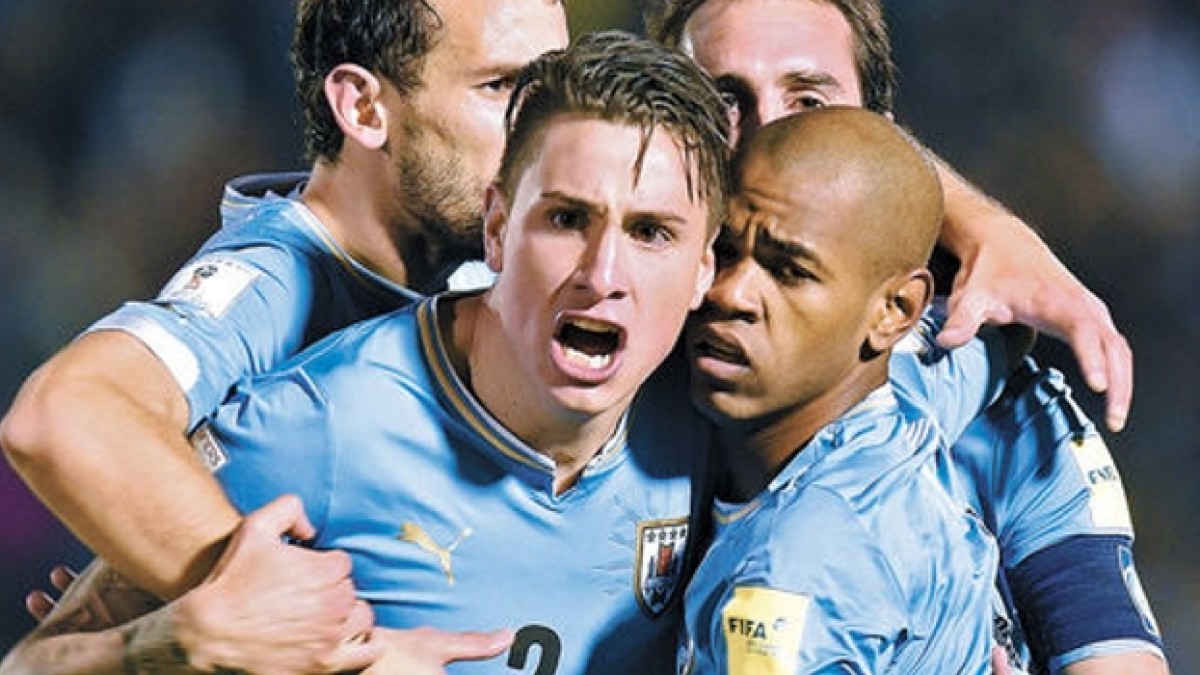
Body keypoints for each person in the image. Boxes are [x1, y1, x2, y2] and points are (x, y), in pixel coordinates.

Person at [3, 29, 731, 675]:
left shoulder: (706, 404)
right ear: (497, 227)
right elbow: (38, 657)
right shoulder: (309, 396)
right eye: (567, 218)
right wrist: (298, 646)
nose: (603, 274)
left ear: (703, 268)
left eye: (651, 232)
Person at [647, 0, 1167, 672]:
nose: (768, 138)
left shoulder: (1002, 420)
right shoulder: (585, 349)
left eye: (810, 103)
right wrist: (980, 221)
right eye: (723, 104)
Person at [681, 105, 1013, 673]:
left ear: (895, 310)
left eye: (790, 271)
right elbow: (1003, 331)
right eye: (725, 251)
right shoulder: (913, 386)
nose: (729, 293)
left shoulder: (795, 568)